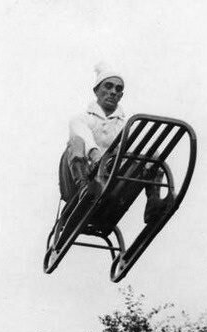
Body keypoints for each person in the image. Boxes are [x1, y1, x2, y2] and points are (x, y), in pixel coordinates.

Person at [60, 62, 166, 224]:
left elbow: (140, 147)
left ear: (121, 95)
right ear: (96, 90)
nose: (113, 92)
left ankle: (153, 201)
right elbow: (80, 132)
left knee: (150, 150)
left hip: (109, 183)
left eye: (118, 89)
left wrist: (151, 158)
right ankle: (84, 191)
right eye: (108, 86)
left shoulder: (123, 125)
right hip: (78, 180)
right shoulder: (83, 119)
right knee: (76, 141)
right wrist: (94, 153)